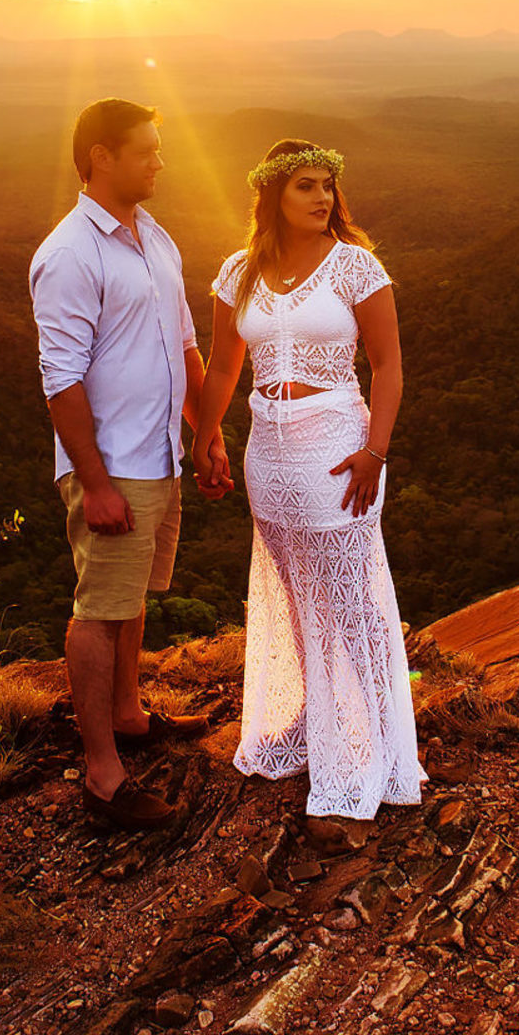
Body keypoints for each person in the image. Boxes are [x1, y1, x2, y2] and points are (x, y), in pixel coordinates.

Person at [192, 139, 427, 820]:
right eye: (305, 185)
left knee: (350, 600)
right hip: (268, 450)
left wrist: (376, 451)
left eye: (328, 184)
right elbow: (224, 366)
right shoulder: (239, 272)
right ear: (272, 194)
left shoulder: (356, 266)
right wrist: (205, 437)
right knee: (297, 596)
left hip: (338, 448)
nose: (322, 196)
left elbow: (388, 365)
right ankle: (311, 721)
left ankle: (371, 744)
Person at [30, 98, 219, 831]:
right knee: (100, 609)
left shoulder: (154, 237)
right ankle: (103, 775)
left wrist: (206, 435)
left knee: (132, 595)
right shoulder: (70, 253)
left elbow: (184, 344)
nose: (160, 162)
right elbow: (60, 379)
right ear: (101, 157)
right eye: (146, 150)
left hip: (159, 453)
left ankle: (129, 715)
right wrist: (98, 483)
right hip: (112, 463)